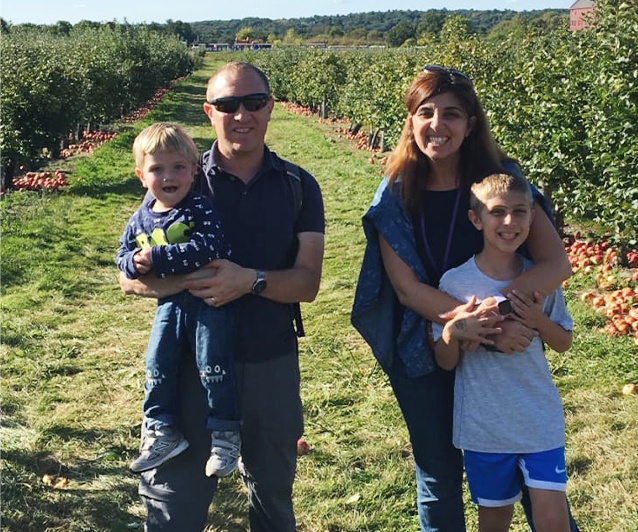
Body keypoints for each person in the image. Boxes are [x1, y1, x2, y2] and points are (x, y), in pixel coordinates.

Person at [351, 65, 577, 532]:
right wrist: (475, 325)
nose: (438, 125)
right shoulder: (395, 192)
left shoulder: (503, 185)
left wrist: (502, 318)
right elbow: (406, 289)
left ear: (471, 124)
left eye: (452, 114)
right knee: (438, 470)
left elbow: (556, 265)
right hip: (425, 344)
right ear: (411, 122)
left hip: (503, 350)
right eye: (426, 112)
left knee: (531, 468)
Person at [119, 61, 325, 531]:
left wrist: (248, 279)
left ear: (271, 107)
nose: (242, 115)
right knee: (174, 502)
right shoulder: (180, 177)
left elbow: (307, 283)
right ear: (209, 111)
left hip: (269, 361)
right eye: (228, 105)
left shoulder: (297, 186)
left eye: (254, 102)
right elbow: (129, 277)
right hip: (190, 366)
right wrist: (203, 282)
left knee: (272, 496)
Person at [432, 172, 573, 532]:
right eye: (497, 212)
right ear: (476, 219)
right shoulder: (455, 283)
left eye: (520, 212)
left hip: (539, 420)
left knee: (553, 521)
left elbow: (563, 342)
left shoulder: (541, 279)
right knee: (493, 523)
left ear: (532, 217)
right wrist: (453, 331)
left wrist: (538, 320)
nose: (510, 222)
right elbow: (445, 361)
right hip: (485, 426)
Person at [116, 122, 241, 478]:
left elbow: (206, 248)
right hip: (169, 305)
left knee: (213, 363)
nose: (168, 176)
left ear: (193, 171)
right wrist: (133, 263)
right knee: (157, 362)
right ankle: (161, 429)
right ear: (142, 176)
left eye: (178, 168)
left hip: (209, 302)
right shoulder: (140, 217)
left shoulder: (199, 209)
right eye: (157, 169)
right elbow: (122, 254)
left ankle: (225, 433)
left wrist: (156, 259)